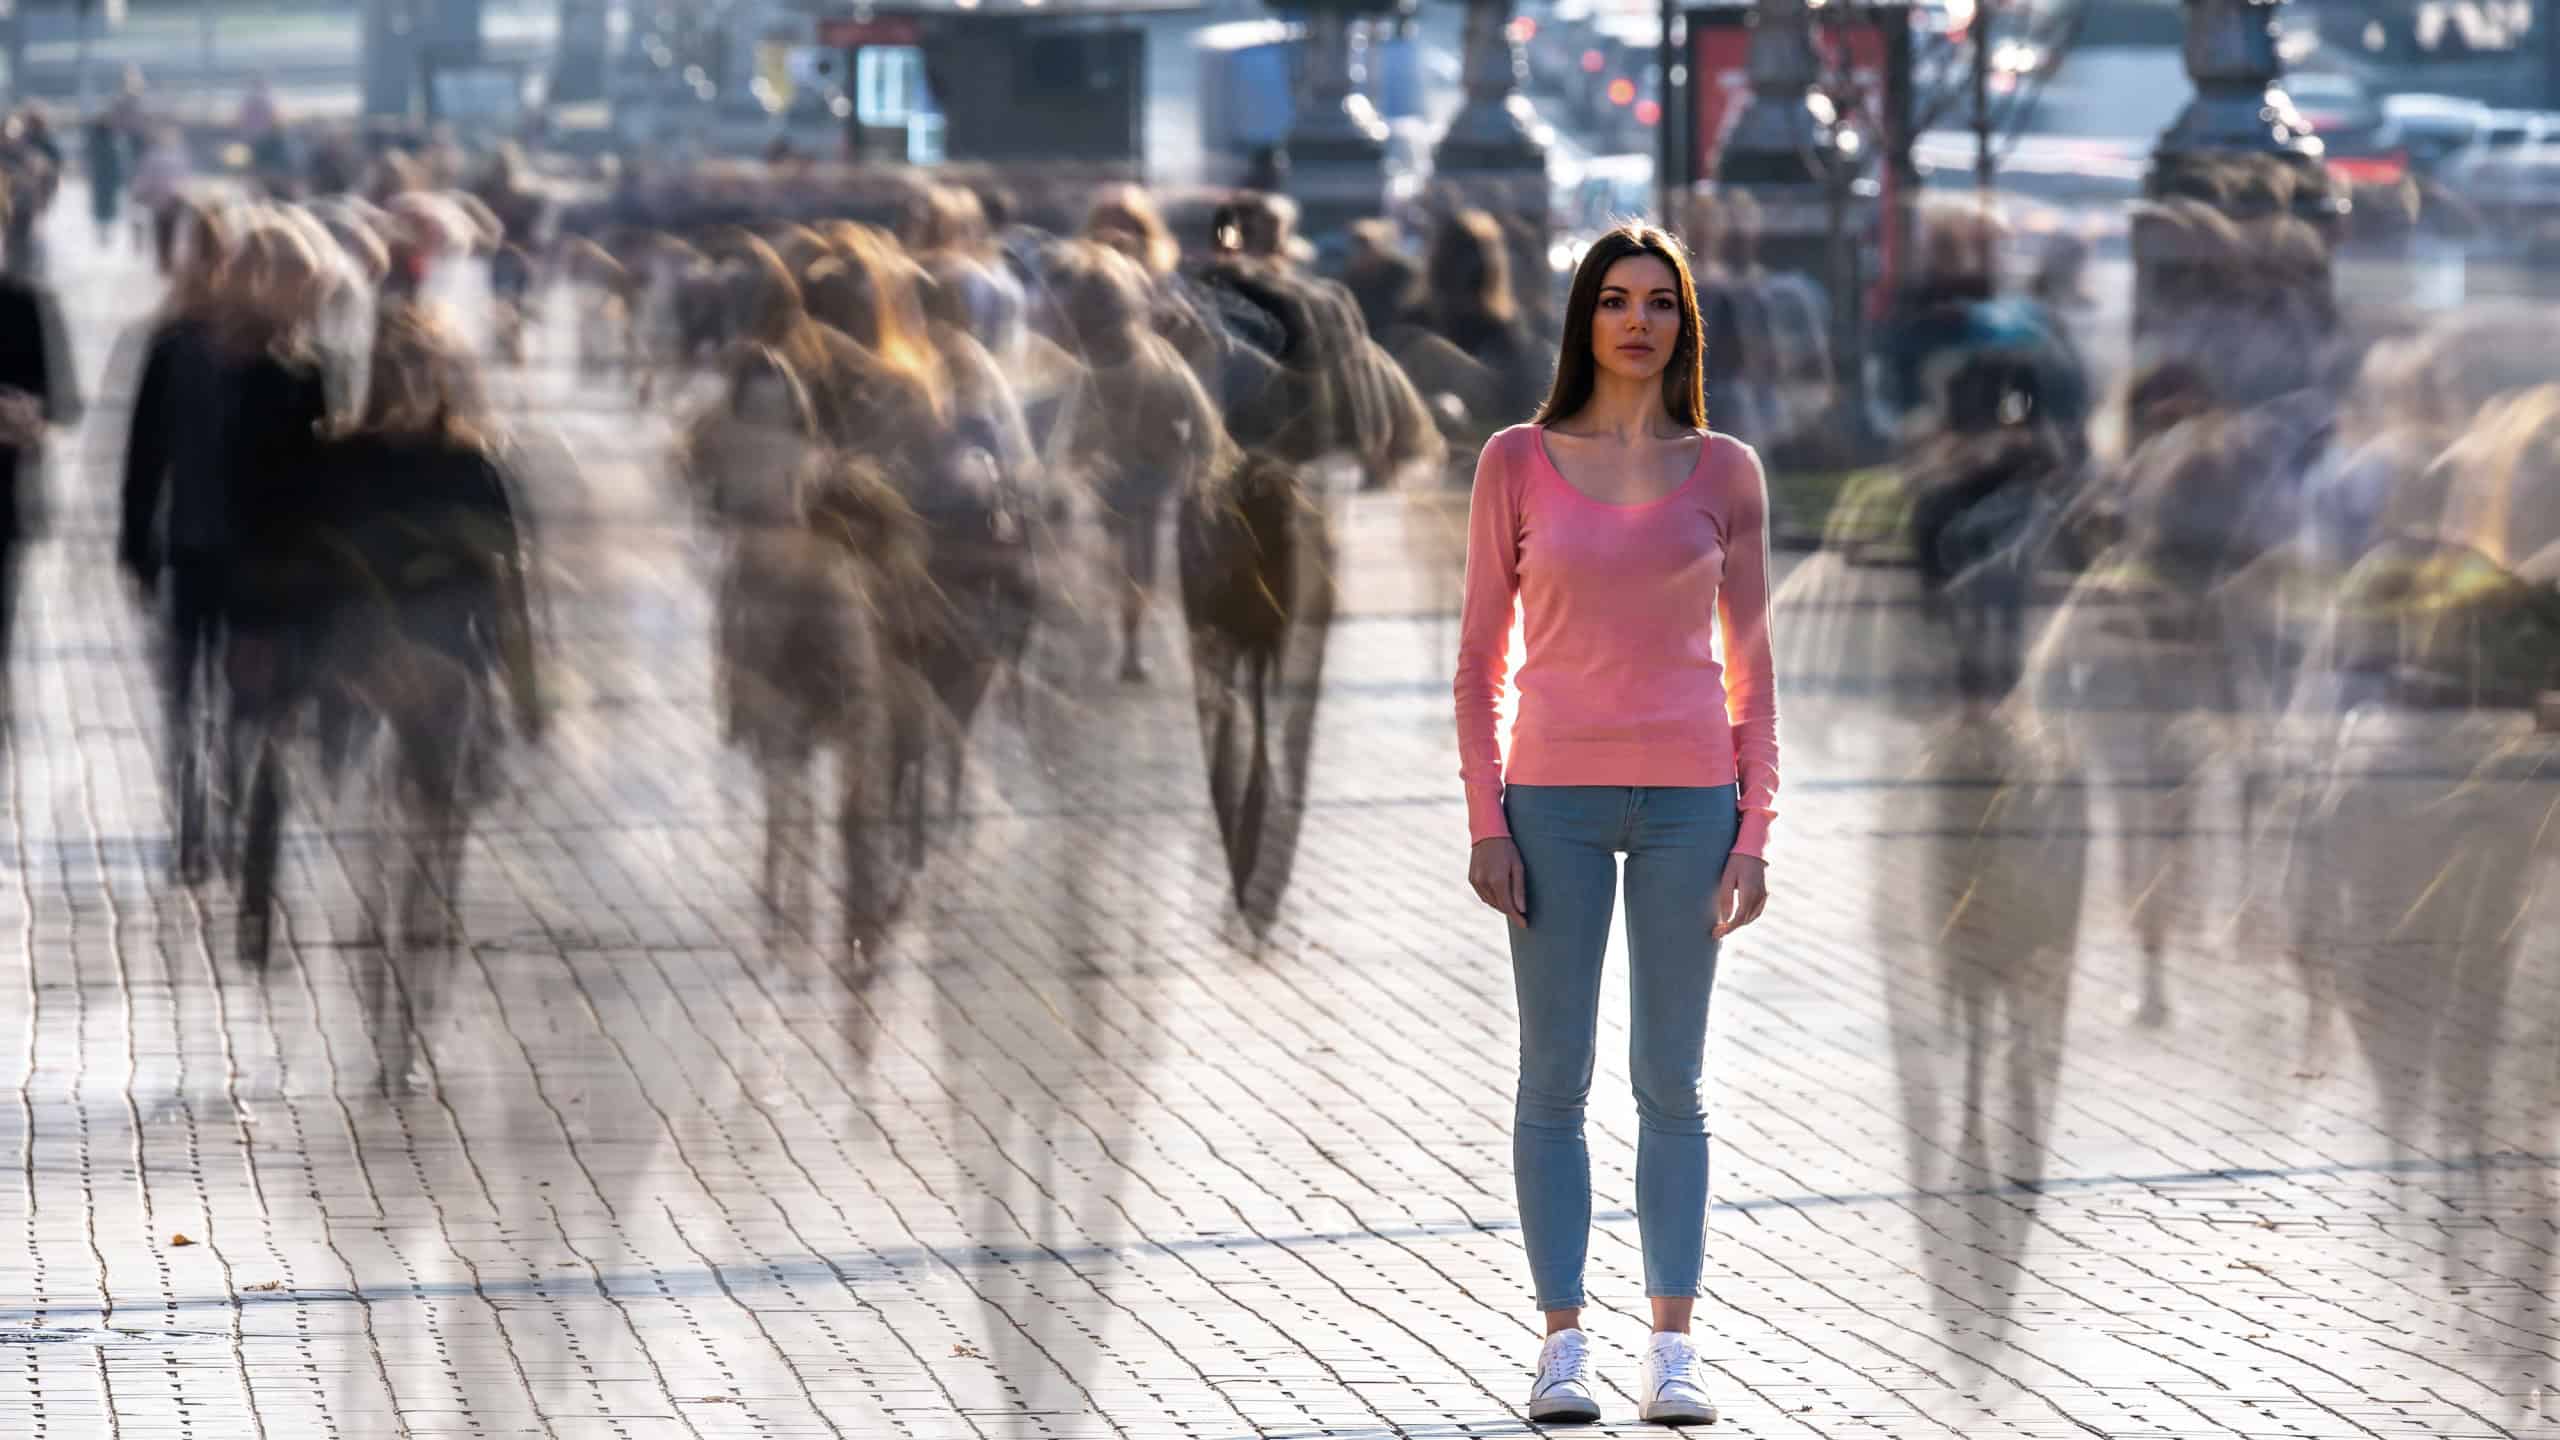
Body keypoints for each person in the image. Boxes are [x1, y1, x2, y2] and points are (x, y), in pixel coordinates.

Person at [1452, 223, 1777, 1427]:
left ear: (1684, 326)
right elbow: (1479, 658)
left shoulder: (1728, 471)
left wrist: (1755, 833)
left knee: (1670, 1082)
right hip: (1553, 804)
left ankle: (1674, 1349)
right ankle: (1561, 1342)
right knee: (1553, 1078)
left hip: (1695, 799)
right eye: (1613, 300)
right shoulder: (1516, 461)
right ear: (1583, 318)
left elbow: (1753, 670)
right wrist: (1489, 818)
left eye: (1659, 303)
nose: (1637, 321)